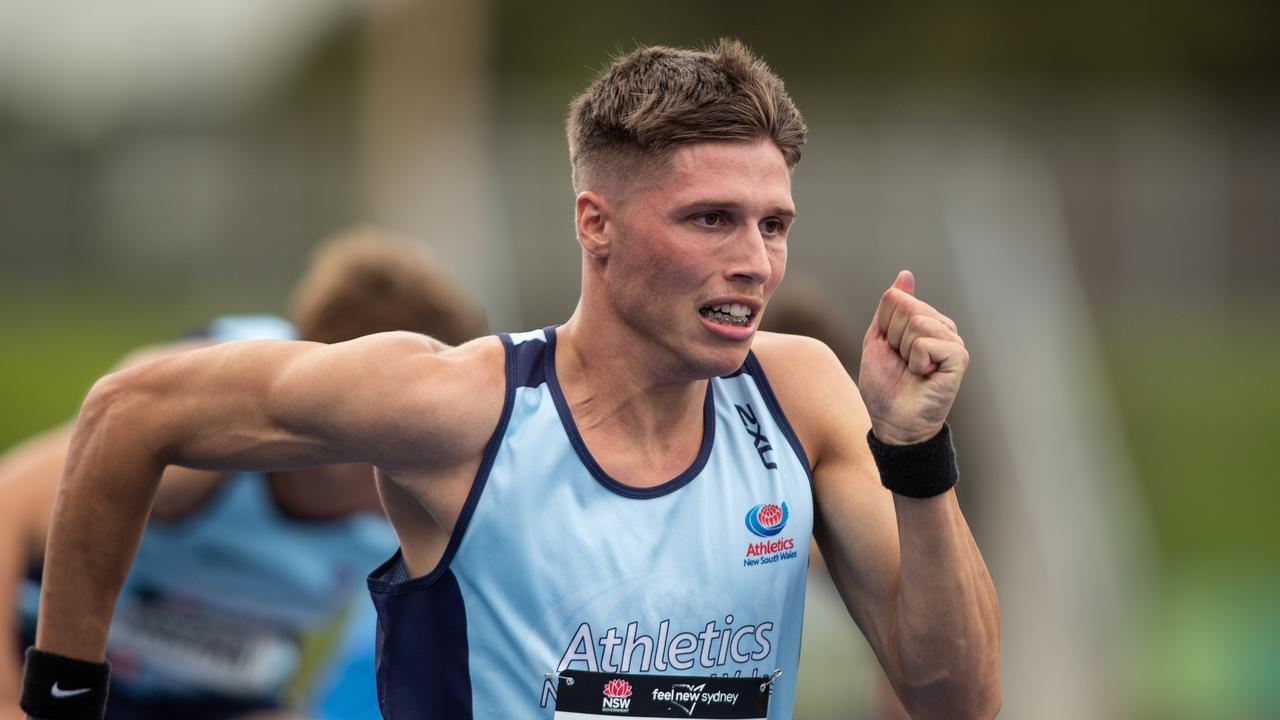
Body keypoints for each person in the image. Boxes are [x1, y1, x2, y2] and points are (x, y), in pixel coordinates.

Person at [23, 40, 1000, 720]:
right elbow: (126, 410)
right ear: (595, 225)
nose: (754, 261)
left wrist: (914, 457)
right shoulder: (457, 408)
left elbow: (955, 699)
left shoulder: (801, 396)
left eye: (772, 224)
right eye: (710, 219)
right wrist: (64, 690)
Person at [3, 228, 486, 720]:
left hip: (218, 693)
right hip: (52, 660)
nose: (429, 467)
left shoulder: (432, 500)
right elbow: (10, 499)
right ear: (346, 414)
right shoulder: (214, 418)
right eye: (418, 439)